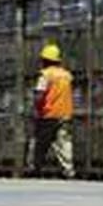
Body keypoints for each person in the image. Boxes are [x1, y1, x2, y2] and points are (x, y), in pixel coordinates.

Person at [33, 43, 74, 179]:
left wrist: (36, 108)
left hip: (48, 114)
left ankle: (36, 168)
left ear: (46, 60)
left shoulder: (45, 75)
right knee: (64, 143)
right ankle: (68, 170)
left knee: (41, 143)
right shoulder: (67, 75)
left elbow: (40, 94)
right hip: (65, 113)